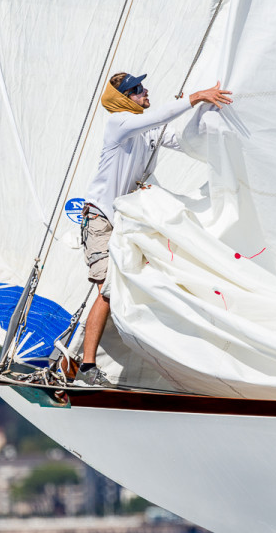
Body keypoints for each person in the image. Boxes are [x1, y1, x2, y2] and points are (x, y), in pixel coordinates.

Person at [74, 71, 231, 386]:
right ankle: (87, 366)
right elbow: (161, 115)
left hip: (127, 219)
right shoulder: (119, 123)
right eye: (138, 89)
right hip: (101, 219)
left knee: (145, 282)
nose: (146, 91)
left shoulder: (148, 130)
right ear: (125, 98)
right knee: (106, 291)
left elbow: (185, 141)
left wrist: (221, 125)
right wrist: (196, 96)